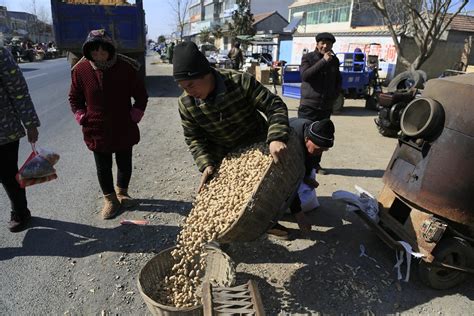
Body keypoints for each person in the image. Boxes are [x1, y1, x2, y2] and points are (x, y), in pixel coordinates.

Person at [173, 41, 291, 237]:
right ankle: (244, 227)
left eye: (191, 84)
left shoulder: (239, 81)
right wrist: (207, 164)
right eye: (183, 87)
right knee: (233, 199)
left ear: (206, 73)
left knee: (269, 191)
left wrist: (276, 137)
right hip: (226, 155)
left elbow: (274, 106)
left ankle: (271, 219)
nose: (189, 91)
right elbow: (193, 138)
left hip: (258, 146)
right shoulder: (186, 103)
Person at [69, 29, 148, 219]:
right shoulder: (81, 70)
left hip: (123, 125)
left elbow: (140, 95)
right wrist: (82, 115)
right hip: (96, 128)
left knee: (124, 163)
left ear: (110, 49)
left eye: (103, 51)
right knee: (103, 166)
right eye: (94, 51)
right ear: (88, 51)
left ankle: (122, 193)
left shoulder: (126, 67)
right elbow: (74, 97)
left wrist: (135, 114)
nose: (99, 55)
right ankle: (110, 200)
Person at [0, 46, 40, 232]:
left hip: (3, 128)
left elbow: (19, 91)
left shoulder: (1, 53)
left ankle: (20, 211)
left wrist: (30, 123)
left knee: (8, 175)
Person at [298, 32, 341, 174]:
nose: (325, 46)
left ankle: (315, 165)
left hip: (325, 107)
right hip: (309, 106)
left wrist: (334, 96)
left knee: (321, 137)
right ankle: (300, 164)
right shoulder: (308, 58)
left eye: (328, 44)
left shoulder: (335, 61)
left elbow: (338, 81)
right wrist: (323, 61)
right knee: (304, 137)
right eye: (322, 43)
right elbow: (305, 76)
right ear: (317, 44)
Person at [287, 117, 335, 234]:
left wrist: (307, 177)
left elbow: (310, 159)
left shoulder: (313, 133)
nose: (320, 153)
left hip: (298, 159)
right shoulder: (291, 144)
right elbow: (288, 182)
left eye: (324, 150)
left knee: (307, 192)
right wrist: (299, 215)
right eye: (319, 149)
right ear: (307, 139)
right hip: (278, 164)